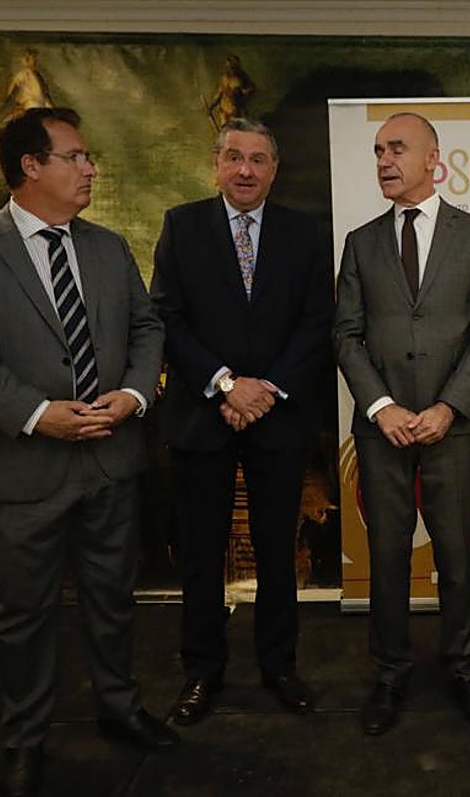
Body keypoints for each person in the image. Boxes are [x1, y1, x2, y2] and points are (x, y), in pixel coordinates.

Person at [0, 107, 173, 797]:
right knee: (25, 613)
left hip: (109, 458)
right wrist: (36, 414)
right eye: (75, 156)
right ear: (30, 166)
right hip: (19, 466)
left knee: (113, 599)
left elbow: (146, 326)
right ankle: (25, 739)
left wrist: (132, 396)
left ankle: (120, 710)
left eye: (88, 157)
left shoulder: (108, 246)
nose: (90, 168)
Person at [150, 118, 334, 723]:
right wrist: (227, 384)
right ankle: (202, 672)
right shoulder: (182, 226)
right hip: (204, 414)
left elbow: (316, 322)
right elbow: (167, 318)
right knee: (202, 552)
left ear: (274, 170)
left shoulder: (303, 232)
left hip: (278, 417)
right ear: (217, 164)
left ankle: (280, 667)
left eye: (258, 160)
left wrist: (266, 390)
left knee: (276, 548)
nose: (246, 170)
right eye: (234, 157)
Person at [334, 111, 470, 736]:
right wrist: (383, 408)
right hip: (384, 429)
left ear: (435, 158)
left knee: (459, 559)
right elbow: (346, 336)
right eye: (378, 149)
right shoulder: (360, 240)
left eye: (397, 148)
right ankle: (389, 672)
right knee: (386, 556)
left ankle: (465, 671)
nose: (384, 159)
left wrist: (446, 408)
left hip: (452, 429)